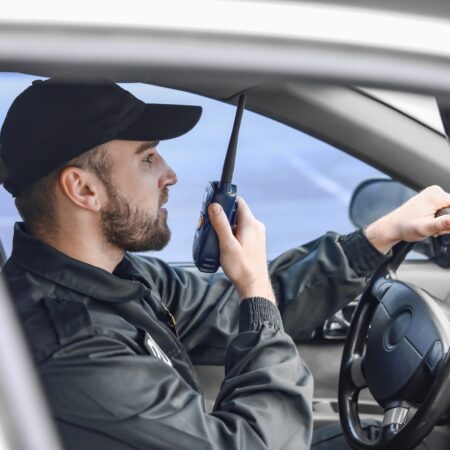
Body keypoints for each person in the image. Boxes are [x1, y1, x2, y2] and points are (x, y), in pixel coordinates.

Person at [0, 77, 449, 450]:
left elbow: (234, 306)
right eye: (147, 158)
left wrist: (380, 236)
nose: (169, 174)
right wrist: (253, 285)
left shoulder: (117, 278)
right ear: (83, 190)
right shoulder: (73, 351)